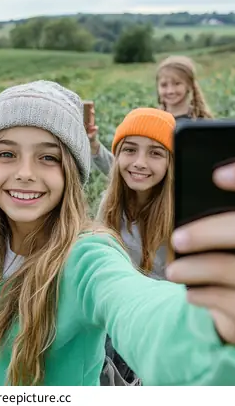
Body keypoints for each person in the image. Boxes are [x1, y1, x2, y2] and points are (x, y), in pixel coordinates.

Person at [0, 80, 235, 386]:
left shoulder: (86, 257)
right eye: (6, 154)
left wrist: (213, 326)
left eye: (48, 157)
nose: (24, 172)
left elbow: (138, 305)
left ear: (70, 173)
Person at [96, 108, 175, 385]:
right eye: (130, 150)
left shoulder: (181, 218)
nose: (140, 162)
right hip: (113, 311)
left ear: (171, 163)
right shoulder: (110, 204)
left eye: (155, 153)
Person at [87, 55, 214, 176]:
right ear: (157, 87)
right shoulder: (151, 123)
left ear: (189, 85)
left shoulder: (201, 125)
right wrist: (94, 145)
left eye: (177, 84)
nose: (170, 90)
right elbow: (125, 172)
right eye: (164, 85)